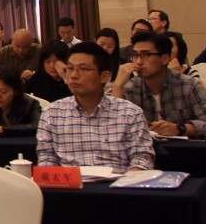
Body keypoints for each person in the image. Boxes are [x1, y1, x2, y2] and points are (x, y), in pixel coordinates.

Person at [36, 42, 154, 172]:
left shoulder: (130, 113)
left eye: (83, 69)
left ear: (104, 76)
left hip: (119, 182)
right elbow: (46, 160)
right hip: (70, 183)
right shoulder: (51, 113)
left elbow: (142, 158)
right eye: (69, 68)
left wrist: (130, 179)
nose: (74, 75)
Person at [113, 31, 206, 138]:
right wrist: (117, 86)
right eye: (135, 55)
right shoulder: (130, 88)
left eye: (146, 55)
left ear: (165, 59)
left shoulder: (189, 85)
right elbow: (114, 130)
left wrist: (180, 129)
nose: (138, 62)